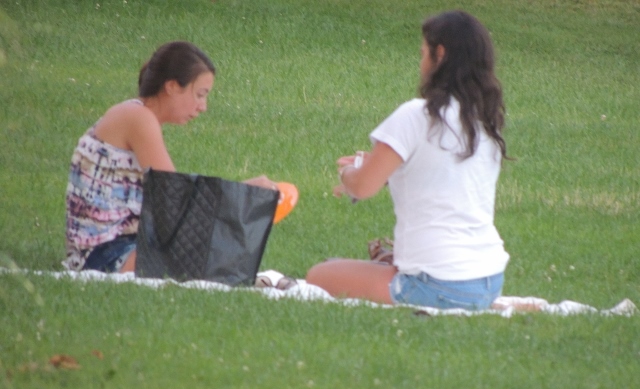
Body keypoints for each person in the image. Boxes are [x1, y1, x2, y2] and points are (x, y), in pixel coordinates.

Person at [306, 11, 512, 310]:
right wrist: (379, 165)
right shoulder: (483, 121)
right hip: (489, 280)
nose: (420, 63)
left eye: (423, 53)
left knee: (320, 275)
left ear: (439, 55)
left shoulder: (417, 114)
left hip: (436, 283)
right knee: (342, 268)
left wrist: (349, 173)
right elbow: (440, 171)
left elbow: (362, 187)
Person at [63, 41, 278, 273]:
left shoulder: (136, 115)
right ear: (172, 86)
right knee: (212, 255)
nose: (203, 107)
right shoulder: (138, 118)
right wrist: (245, 192)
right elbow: (176, 203)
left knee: (213, 252)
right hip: (104, 256)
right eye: (200, 94)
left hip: (120, 248)